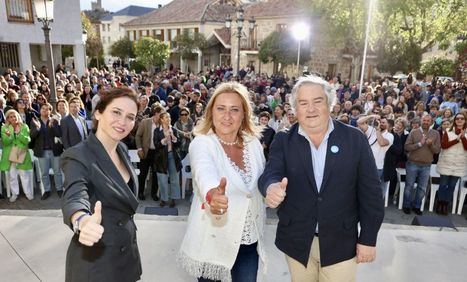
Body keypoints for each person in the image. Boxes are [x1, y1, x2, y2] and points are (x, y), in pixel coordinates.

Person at [258, 75, 384, 281]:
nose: (311, 109)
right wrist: (271, 187)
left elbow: (371, 193)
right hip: (297, 242)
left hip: (341, 244)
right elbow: (270, 174)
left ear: (330, 104)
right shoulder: (284, 140)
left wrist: (368, 238)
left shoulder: (354, 139)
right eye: (303, 103)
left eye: (318, 101)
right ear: (295, 109)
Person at [178, 82, 267, 282]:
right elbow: (204, 172)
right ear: (211, 112)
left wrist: (273, 188)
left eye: (234, 110)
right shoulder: (202, 143)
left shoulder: (253, 144)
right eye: (221, 109)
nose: (227, 116)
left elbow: (261, 180)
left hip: (248, 242)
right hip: (213, 240)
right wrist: (212, 194)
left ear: (244, 114)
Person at [61, 88, 142, 282]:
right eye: (116, 112)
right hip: (96, 265)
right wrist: (82, 220)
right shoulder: (78, 155)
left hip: (126, 258)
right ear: (98, 112)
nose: (123, 122)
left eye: (130, 117)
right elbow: (74, 195)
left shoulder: (121, 148)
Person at [403, 114, 441, 215]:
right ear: (421, 121)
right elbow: (407, 147)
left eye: (428, 121)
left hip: (426, 165)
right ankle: (406, 205)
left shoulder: (436, 133)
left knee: (422, 188)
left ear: (431, 122)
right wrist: (419, 144)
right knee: (409, 186)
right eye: (424, 120)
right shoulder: (414, 132)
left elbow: (437, 150)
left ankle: (417, 206)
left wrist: (430, 145)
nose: (426, 122)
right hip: (412, 164)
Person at [30, 103, 64, 200]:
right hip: (42, 152)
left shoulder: (54, 121)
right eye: (43, 109)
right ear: (40, 110)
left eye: (47, 109)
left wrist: (52, 126)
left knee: (57, 171)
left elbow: (59, 133)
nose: (45, 110)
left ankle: (59, 189)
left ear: (50, 111)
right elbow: (32, 136)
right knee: (44, 173)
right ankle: (47, 190)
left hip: (54, 151)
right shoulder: (35, 121)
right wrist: (38, 128)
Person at [435, 113, 467, 215]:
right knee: (443, 185)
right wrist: (457, 139)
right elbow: (444, 146)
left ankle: (445, 205)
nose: (459, 120)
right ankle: (439, 204)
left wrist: (462, 137)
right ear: (455, 120)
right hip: (446, 162)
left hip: (459, 164)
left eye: (462, 118)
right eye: (457, 118)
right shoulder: (448, 131)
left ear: (465, 120)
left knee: (452, 186)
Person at [0, 109, 34, 202]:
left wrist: (19, 133)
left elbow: (27, 140)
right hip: (9, 154)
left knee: (24, 175)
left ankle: (28, 192)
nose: (13, 118)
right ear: (7, 119)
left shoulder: (24, 126)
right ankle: (14, 193)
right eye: (10, 117)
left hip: (20, 152)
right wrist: (10, 135)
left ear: (18, 116)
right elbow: (6, 142)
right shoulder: (4, 128)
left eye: (14, 116)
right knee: (12, 175)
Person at [135, 104, 165, 201]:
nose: (162, 116)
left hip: (157, 152)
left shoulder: (162, 124)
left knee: (156, 174)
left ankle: (154, 194)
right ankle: (140, 192)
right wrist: (139, 149)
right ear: (156, 113)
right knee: (143, 173)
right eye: (161, 114)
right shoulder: (145, 122)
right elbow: (138, 136)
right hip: (146, 151)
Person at [153, 112, 182, 207]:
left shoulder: (174, 129)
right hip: (161, 158)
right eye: (166, 117)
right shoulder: (157, 131)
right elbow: (156, 145)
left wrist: (174, 138)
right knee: (162, 179)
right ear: (161, 119)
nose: (168, 118)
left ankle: (174, 198)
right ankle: (164, 199)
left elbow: (179, 144)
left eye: (169, 117)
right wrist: (164, 140)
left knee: (174, 179)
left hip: (173, 157)